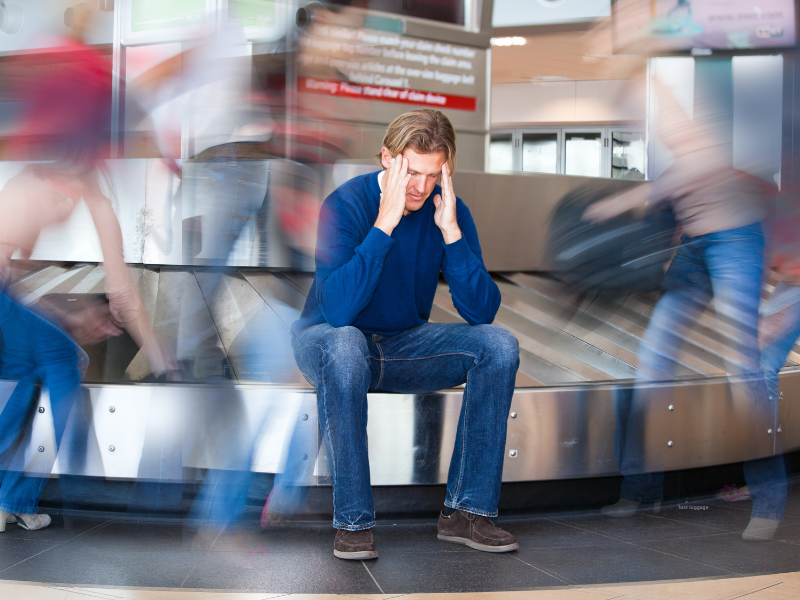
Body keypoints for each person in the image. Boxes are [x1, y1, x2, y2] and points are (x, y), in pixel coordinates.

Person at [291, 109, 520, 560]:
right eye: (411, 172)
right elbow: (338, 311)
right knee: (346, 344)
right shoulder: (346, 204)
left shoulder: (446, 210)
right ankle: (353, 521)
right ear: (386, 159)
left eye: (433, 175)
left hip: (401, 346)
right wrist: (385, 224)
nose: (420, 187)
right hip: (328, 341)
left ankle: (467, 511)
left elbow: (482, 311)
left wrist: (451, 234)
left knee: (498, 346)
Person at [0, 3, 173, 532]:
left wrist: (67, 316)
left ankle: (15, 500)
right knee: (59, 360)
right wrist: (162, 360)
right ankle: (22, 494)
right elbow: (122, 294)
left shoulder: (50, 176)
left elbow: (118, 293)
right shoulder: (49, 178)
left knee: (39, 367)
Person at [585, 79, 777, 538]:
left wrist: (624, 200)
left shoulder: (707, 128)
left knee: (742, 367)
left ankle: (768, 502)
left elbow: (698, 168)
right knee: (652, 365)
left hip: (736, 240)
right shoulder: (668, 132)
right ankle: (641, 490)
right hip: (694, 246)